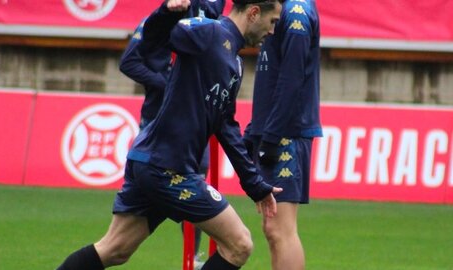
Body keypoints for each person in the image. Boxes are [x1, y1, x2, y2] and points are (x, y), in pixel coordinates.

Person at [56, 0, 283, 269]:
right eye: (273, 22)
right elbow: (153, 43)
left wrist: (254, 184)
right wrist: (166, 12)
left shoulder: (234, 60)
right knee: (239, 244)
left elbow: (225, 125)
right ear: (254, 13)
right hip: (167, 168)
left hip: (152, 162)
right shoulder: (209, 32)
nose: (272, 31)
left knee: (115, 249)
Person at [118, 1, 226, 267]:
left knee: (198, 181)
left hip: (191, 120)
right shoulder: (155, 23)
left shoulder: (204, 24)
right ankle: (122, 239)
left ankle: (194, 255)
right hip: (156, 119)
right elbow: (128, 62)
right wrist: (165, 85)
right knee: (146, 187)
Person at [243, 0, 322, 269]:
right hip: (276, 129)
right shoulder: (280, 8)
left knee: (280, 229)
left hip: (286, 133)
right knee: (272, 228)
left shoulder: (296, 11)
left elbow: (292, 79)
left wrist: (272, 137)